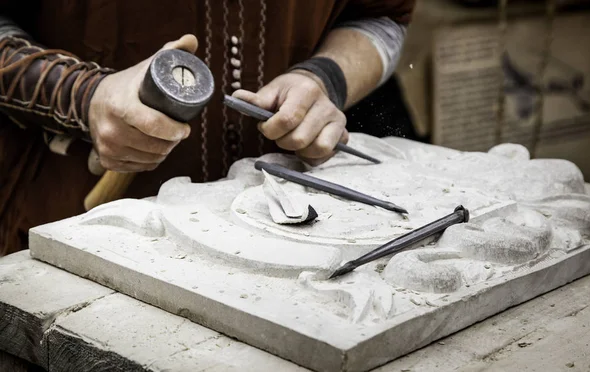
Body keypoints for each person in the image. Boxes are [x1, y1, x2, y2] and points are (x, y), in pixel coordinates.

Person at [0, 0, 415, 256]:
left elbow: (381, 14)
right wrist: (80, 95)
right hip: (75, 227)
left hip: (284, 234)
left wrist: (324, 78)